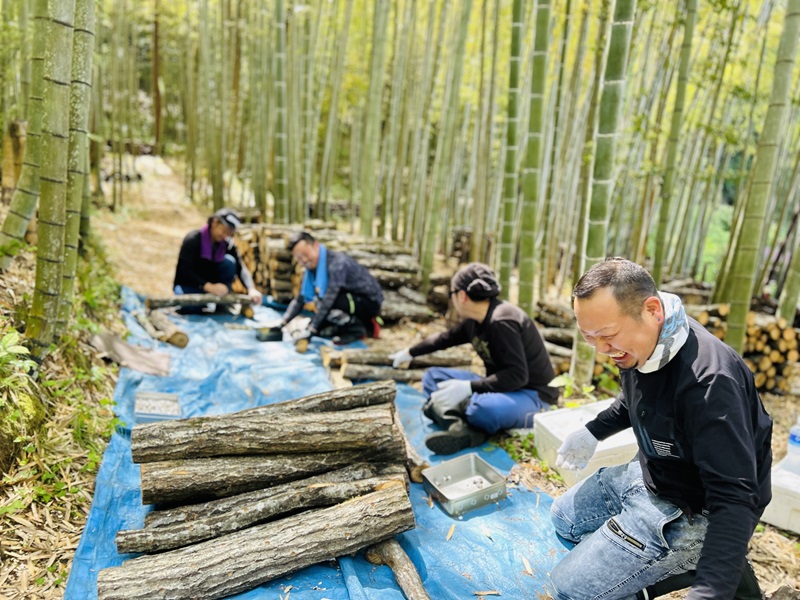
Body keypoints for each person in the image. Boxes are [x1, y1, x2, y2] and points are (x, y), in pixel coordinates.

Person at [549, 258, 771, 600]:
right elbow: (636, 400)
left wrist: (712, 589)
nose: (601, 350)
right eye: (589, 337)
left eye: (606, 336)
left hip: (697, 508)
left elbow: (734, 496)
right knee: (563, 518)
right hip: (652, 475)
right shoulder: (644, 343)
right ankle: (634, 553)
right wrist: (593, 431)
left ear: (652, 309)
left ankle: (693, 562)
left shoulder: (709, 384)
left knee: (570, 589)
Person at [390, 262, 558, 455]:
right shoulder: (475, 321)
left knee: (482, 410)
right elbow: (444, 339)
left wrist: (468, 388)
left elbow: (517, 376)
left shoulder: (502, 321)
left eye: (451, 294)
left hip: (532, 395)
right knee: (433, 377)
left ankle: (461, 418)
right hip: (500, 388)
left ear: (461, 296)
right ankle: (463, 426)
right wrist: (410, 352)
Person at [280, 231, 383, 345]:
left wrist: (312, 329)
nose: (303, 260)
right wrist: (283, 323)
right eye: (299, 258)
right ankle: (351, 326)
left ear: (315, 245)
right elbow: (301, 298)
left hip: (368, 302)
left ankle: (357, 329)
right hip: (347, 301)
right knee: (321, 329)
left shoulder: (337, 263)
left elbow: (329, 299)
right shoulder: (311, 270)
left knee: (322, 305)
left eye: (306, 254)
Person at [173, 208, 262, 305]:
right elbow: (184, 271)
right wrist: (208, 286)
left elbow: (240, 268)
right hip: (189, 285)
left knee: (230, 262)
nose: (225, 236)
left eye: (229, 233)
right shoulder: (193, 239)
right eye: (224, 231)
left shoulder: (227, 244)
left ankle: (222, 303)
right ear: (215, 222)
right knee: (191, 306)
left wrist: (251, 289)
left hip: (212, 287)